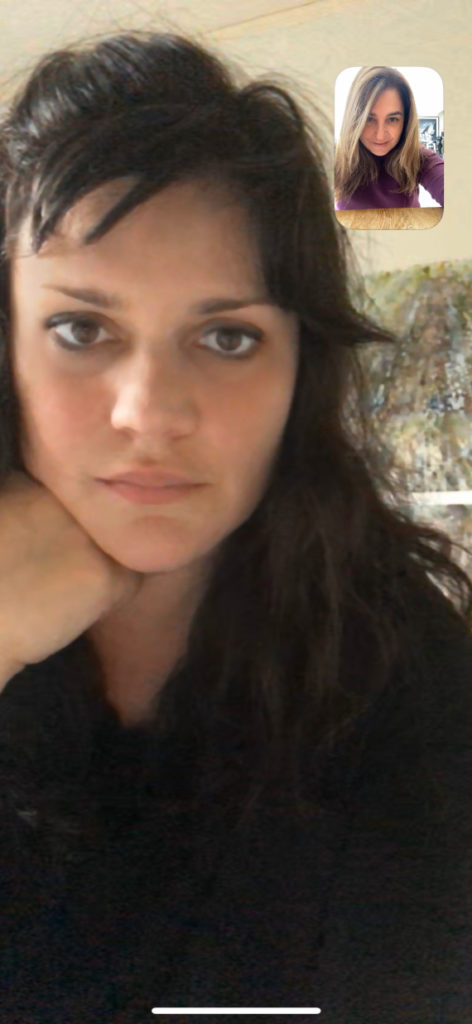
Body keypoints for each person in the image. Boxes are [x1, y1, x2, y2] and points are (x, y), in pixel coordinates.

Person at [0, 30, 470, 1024]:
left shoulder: (404, 674)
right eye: (81, 328)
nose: (150, 412)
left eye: (226, 336)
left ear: (301, 371)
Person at [334, 66, 444, 210]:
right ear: (353, 119)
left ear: (405, 121)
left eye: (392, 119)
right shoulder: (336, 156)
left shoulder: (419, 157)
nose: (380, 135)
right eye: (369, 119)